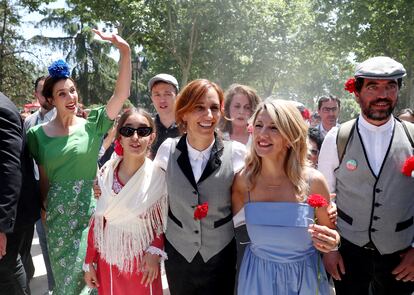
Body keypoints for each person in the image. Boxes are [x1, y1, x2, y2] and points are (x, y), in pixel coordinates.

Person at [26, 29, 131, 295]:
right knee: (65, 284)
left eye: (72, 91)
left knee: (91, 282)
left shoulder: (93, 125)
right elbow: (44, 178)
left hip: (90, 212)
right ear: (50, 99)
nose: (71, 97)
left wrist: (124, 52)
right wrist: (44, 209)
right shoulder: (37, 135)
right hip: (58, 216)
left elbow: (120, 95)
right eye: (62, 93)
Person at [318, 56, 414, 294]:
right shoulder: (337, 138)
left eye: (390, 86)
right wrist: (329, 250)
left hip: (401, 257)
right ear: (357, 92)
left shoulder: (412, 136)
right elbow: (323, 197)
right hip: (348, 254)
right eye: (373, 87)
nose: (382, 95)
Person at [232, 99, 340, 295]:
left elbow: (329, 236)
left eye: (274, 128)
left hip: (304, 281)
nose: (263, 134)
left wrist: (333, 242)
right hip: (257, 280)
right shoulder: (243, 181)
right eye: (258, 125)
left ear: (291, 137)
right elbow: (218, 223)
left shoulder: (314, 182)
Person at [154, 79, 246, 294]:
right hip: (179, 255)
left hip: (222, 257)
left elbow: (253, 199)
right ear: (184, 113)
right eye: (199, 108)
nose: (209, 116)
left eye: (214, 108)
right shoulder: (168, 150)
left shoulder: (238, 153)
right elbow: (149, 195)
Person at [84, 108, 168, 295]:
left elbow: (162, 222)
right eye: (128, 131)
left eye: (143, 131)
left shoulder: (159, 177)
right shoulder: (106, 173)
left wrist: (155, 250)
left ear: (152, 137)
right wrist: (89, 261)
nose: (135, 137)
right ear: (119, 136)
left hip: (143, 261)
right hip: (109, 259)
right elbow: (98, 221)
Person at [0, 92, 40, 295]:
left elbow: (9, 171)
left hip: (11, 220)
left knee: (7, 273)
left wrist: (1, 227)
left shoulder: (2, 109)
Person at [24, 76, 56, 293]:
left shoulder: (65, 118)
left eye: (49, 90)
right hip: (38, 191)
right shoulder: (29, 122)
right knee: (44, 241)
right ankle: (54, 286)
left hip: (62, 187)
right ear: (36, 94)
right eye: (42, 90)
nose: (46, 94)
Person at [148, 73, 180, 158]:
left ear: (177, 97)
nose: (162, 100)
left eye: (167, 94)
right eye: (157, 94)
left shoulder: (189, 127)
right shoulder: (147, 130)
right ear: (152, 98)